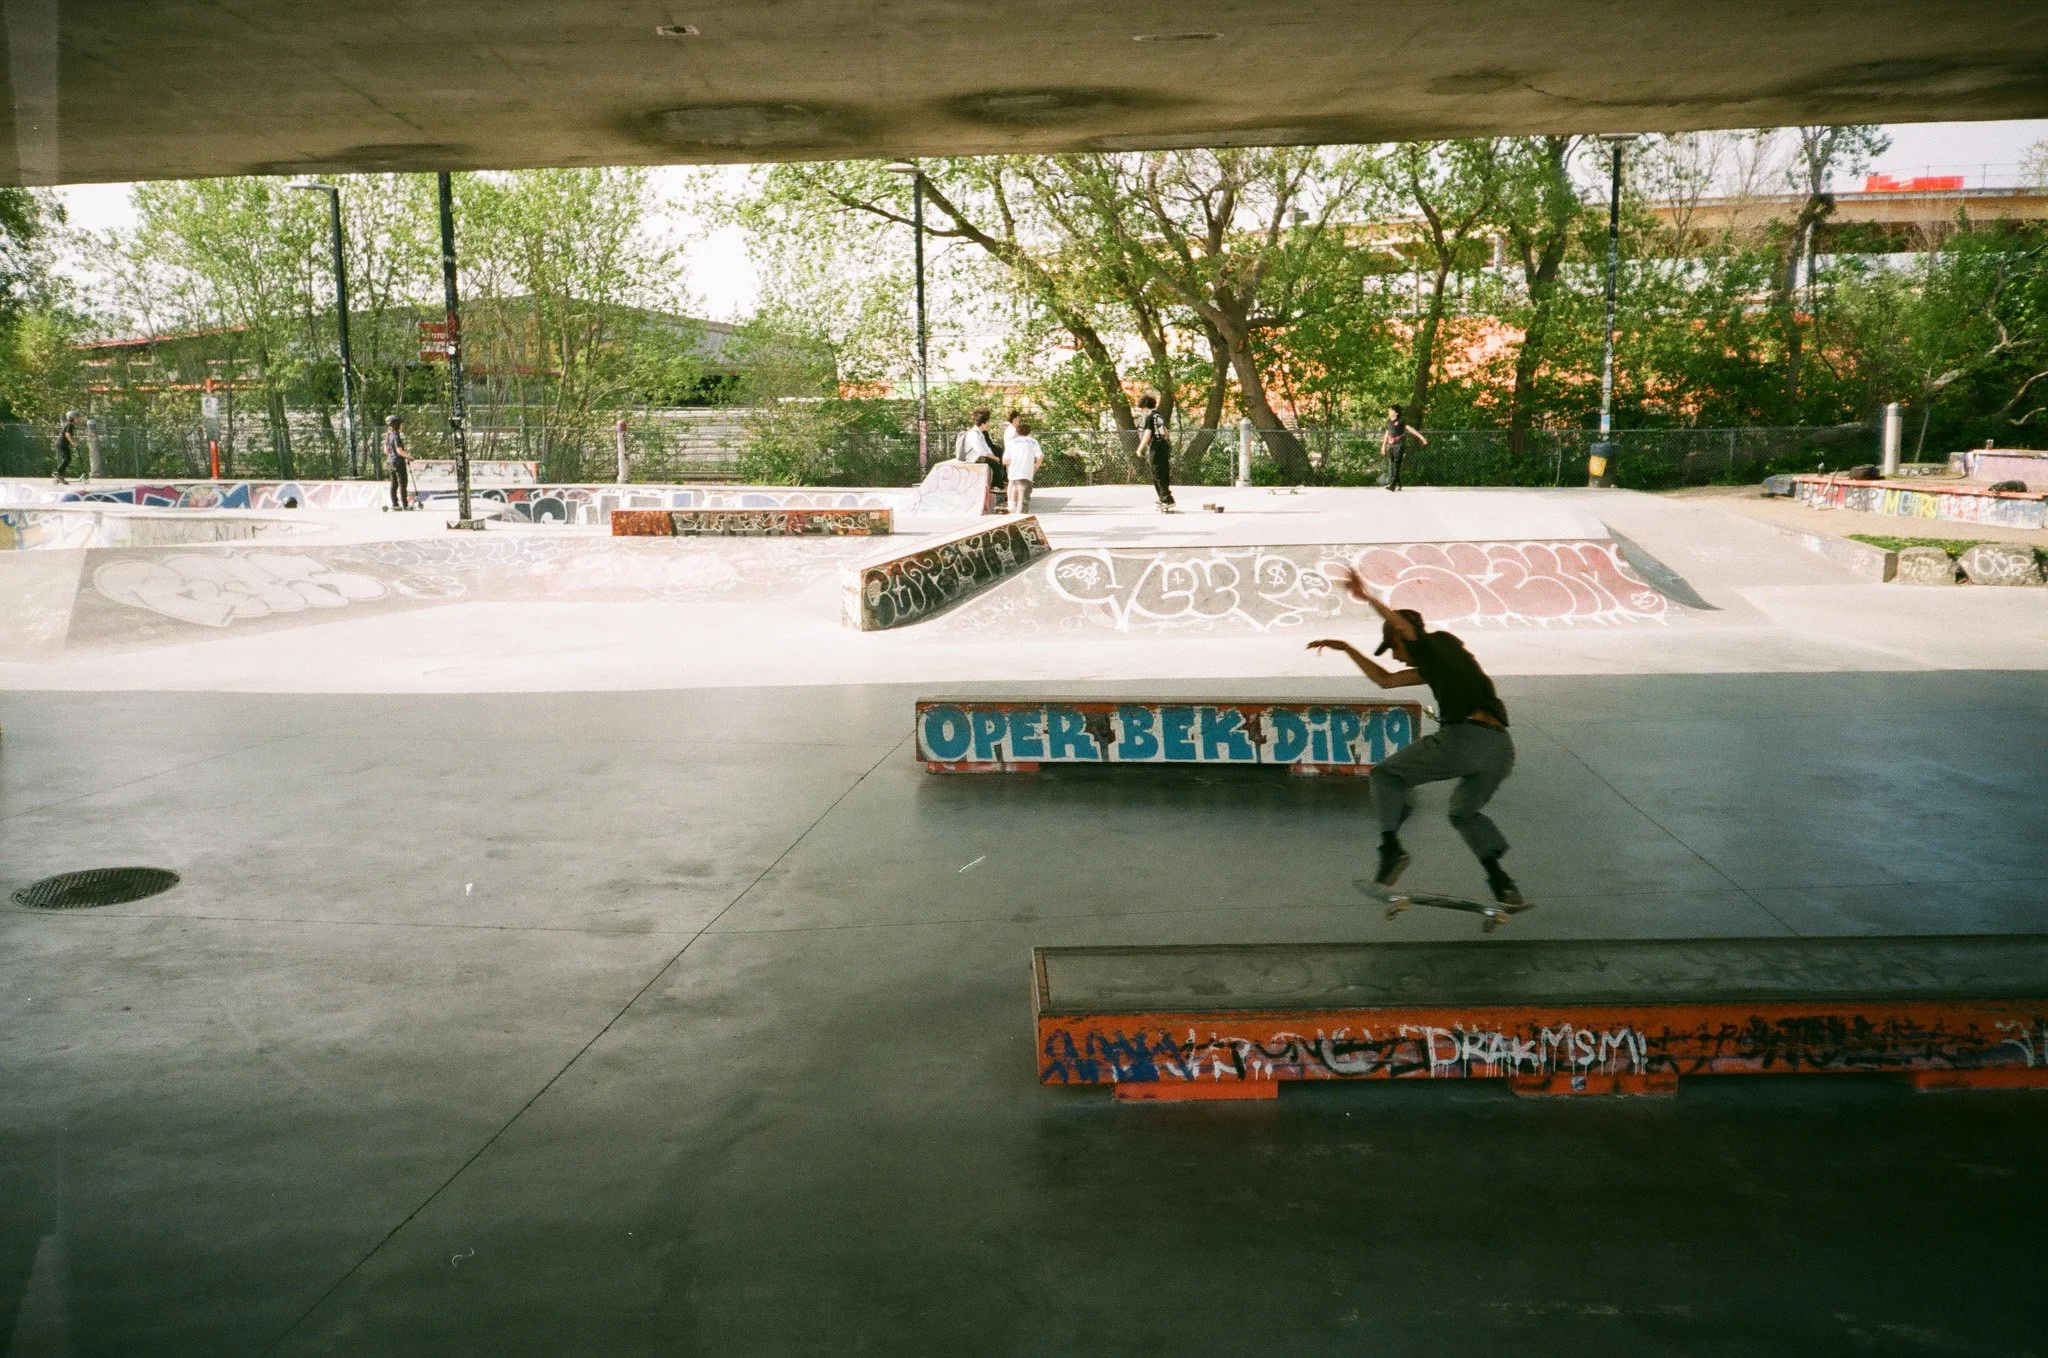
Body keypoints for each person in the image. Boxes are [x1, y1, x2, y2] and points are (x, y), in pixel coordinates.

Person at [1307, 565, 1523, 906]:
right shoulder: (1446, 662)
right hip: (1500, 750)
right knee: (1464, 813)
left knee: (1385, 775)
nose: (1395, 655)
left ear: (1400, 638)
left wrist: (1368, 598)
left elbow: (1405, 631)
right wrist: (1347, 648)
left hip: (1465, 741)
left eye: (1394, 648)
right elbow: (1386, 680)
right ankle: (1502, 882)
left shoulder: (1434, 644)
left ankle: (1391, 850)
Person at [954, 407, 1005, 510]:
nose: (989, 425)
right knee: (993, 463)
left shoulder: (980, 433)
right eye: (988, 423)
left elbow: (987, 448)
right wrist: (993, 458)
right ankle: (997, 486)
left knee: (996, 461)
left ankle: (998, 483)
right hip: (973, 458)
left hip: (979, 456)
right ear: (983, 424)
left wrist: (995, 457)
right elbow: (981, 451)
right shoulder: (973, 434)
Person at [1135, 392, 1174, 510]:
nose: (1142, 411)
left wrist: (1140, 448)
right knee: (1164, 470)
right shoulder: (1159, 415)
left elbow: (1147, 433)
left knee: (1157, 472)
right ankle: (1165, 496)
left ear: (1145, 407)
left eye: (1142, 409)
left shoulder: (1150, 417)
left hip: (1156, 446)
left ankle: (1166, 499)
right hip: (1164, 444)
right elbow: (1166, 433)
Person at [1380, 404, 1428, 493]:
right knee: (1392, 464)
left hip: (1399, 445)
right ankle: (1399, 483)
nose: (1389, 411)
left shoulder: (1401, 421)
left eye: (1390, 410)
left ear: (1396, 412)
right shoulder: (1388, 422)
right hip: (1390, 445)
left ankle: (1393, 485)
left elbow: (1410, 429)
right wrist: (1383, 446)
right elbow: (1387, 434)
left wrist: (1421, 437)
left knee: (1396, 465)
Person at [1003, 417, 1043, 514]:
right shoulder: (1033, 441)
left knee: (1013, 486)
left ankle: (1011, 504)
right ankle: (1021, 513)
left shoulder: (1012, 442)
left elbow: (1005, 460)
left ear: (1017, 432)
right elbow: (1040, 456)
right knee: (1024, 496)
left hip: (1014, 472)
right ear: (1029, 432)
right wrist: (1036, 465)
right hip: (1027, 473)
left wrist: (1014, 462)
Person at [383, 413, 411, 510]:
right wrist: (410, 457)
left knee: (394, 483)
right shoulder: (396, 436)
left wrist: (392, 456)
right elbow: (400, 451)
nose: (402, 426)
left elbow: (386, 451)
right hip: (399, 462)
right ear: (397, 425)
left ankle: (395, 503)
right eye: (401, 424)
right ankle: (405, 504)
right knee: (402, 483)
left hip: (390, 462)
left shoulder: (388, 436)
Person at [53, 411, 80, 484]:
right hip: (62, 444)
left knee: (67, 459)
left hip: (62, 444)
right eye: (77, 418)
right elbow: (67, 435)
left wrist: (73, 442)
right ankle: (58, 473)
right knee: (67, 458)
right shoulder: (70, 425)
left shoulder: (69, 425)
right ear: (72, 418)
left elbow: (68, 436)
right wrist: (73, 443)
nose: (79, 419)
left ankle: (60, 475)